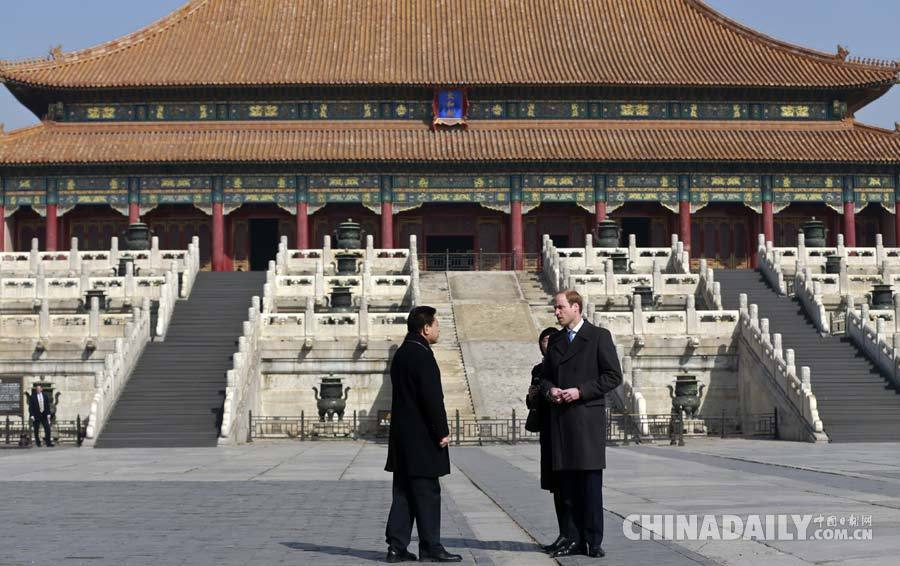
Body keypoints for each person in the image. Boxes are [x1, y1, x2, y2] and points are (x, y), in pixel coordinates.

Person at [541, 290, 622, 558]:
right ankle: (572, 538)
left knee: (589, 485)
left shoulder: (598, 337)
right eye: (555, 308)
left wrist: (580, 391)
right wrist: (550, 390)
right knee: (567, 488)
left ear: (576, 307)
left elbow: (613, 376)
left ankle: (593, 540)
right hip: (561, 422)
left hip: (586, 420)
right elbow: (545, 378)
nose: (556, 312)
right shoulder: (555, 342)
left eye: (560, 307)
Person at [384, 306, 462, 563]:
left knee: (403, 492)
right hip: (422, 438)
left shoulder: (402, 354)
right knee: (427, 492)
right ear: (426, 328)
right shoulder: (422, 355)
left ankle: (396, 547)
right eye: (436, 325)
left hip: (402, 438)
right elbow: (431, 398)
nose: (438, 329)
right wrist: (442, 431)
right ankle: (431, 546)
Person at [527, 326, 577, 555]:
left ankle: (574, 535)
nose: (546, 344)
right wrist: (532, 395)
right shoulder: (538, 369)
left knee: (568, 487)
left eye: (550, 340)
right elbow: (531, 403)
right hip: (547, 430)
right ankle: (563, 534)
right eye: (543, 340)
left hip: (564, 430)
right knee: (555, 487)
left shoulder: (565, 367)